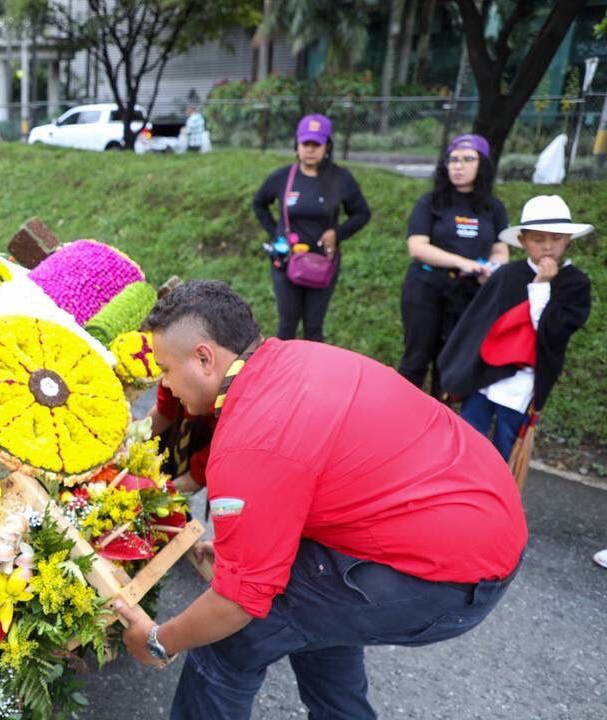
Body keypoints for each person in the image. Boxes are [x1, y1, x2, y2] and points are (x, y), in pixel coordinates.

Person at [116, 280, 526, 720]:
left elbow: (239, 602)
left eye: (165, 368)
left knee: (228, 638)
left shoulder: (249, 440)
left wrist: (160, 639)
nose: (164, 382)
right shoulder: (297, 357)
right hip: (484, 519)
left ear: (203, 357)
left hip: (446, 577)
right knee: (311, 612)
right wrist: (253, 550)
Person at [437, 194, 592, 462]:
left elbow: (552, 331)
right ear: (523, 241)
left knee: (505, 446)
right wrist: (458, 366)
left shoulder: (575, 284)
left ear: (568, 239)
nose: (547, 247)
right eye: (538, 239)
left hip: (524, 383)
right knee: (468, 436)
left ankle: (495, 498)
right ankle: (458, 492)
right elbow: (477, 324)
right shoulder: (508, 275)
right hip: (484, 376)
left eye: (556, 239)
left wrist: (542, 285)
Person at [397, 134, 508, 396]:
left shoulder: (493, 207)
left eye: (467, 159)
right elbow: (417, 247)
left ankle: (441, 422)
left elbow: (500, 249)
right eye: (453, 160)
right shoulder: (430, 202)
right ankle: (399, 417)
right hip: (426, 289)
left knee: (450, 364)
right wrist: (463, 262)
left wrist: (492, 269)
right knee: (416, 360)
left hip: (468, 294)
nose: (458, 166)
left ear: (482, 165)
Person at [252, 114, 370, 342]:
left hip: (323, 263)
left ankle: (313, 376)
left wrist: (338, 233)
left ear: (327, 147)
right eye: (305, 143)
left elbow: (362, 213)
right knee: (287, 326)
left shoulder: (341, 179)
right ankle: (285, 376)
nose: (310, 150)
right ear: (296, 145)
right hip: (286, 262)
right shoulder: (282, 177)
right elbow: (259, 204)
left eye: (316, 144)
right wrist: (276, 233)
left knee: (314, 327)